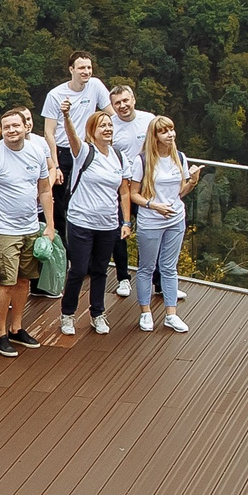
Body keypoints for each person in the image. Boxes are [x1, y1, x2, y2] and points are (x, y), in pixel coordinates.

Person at [0, 108, 58, 358]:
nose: (11, 130)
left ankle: (16, 327)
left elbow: (44, 191)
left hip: (30, 227)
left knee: (24, 280)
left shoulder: (36, 152)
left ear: (26, 127)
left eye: (16, 126)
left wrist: (50, 226)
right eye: (7, 126)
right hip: (3, 230)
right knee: (6, 282)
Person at [60, 110, 131, 337]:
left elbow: (124, 192)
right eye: (102, 126)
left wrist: (126, 221)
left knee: (101, 270)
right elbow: (71, 137)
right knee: (79, 270)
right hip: (81, 221)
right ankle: (67, 314)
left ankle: (97, 313)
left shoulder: (119, 156)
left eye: (110, 125)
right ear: (92, 131)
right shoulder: (84, 152)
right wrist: (67, 116)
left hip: (108, 224)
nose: (108, 129)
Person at [130, 116, 199, 332]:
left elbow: (179, 192)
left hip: (175, 219)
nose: (170, 134)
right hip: (151, 220)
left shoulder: (179, 157)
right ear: (155, 136)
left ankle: (171, 314)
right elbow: (133, 194)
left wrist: (193, 181)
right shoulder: (142, 161)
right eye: (164, 131)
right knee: (147, 268)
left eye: (171, 129)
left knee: (169, 267)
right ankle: (145, 312)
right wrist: (153, 205)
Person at [43, 55, 109, 263]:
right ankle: (64, 255)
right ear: (71, 69)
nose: (86, 72)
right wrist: (55, 165)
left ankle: (85, 256)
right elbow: (49, 132)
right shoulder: (56, 95)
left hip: (86, 151)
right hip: (63, 152)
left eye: (89, 67)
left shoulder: (96, 86)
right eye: (81, 68)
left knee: (85, 201)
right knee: (62, 205)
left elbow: (112, 115)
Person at [105, 85, 155, 298]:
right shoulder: (110, 126)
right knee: (119, 234)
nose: (122, 106)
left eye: (125, 101)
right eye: (117, 103)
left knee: (153, 233)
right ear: (112, 106)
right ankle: (123, 278)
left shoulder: (149, 120)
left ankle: (161, 282)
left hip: (147, 186)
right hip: (121, 187)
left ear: (133, 99)